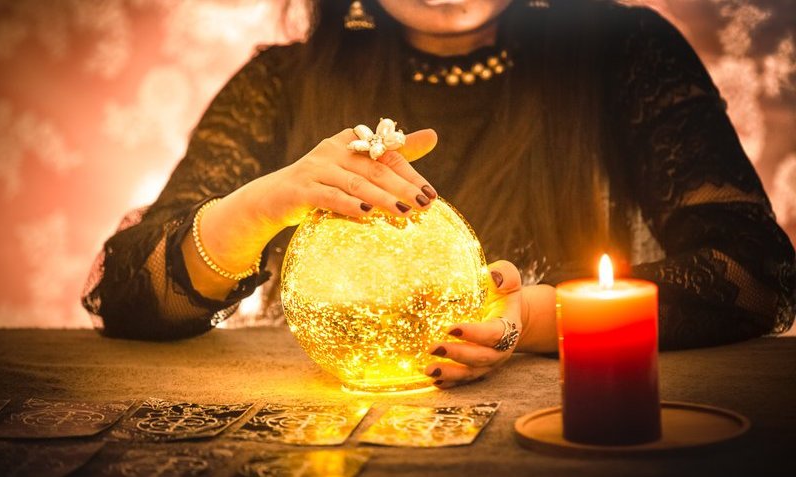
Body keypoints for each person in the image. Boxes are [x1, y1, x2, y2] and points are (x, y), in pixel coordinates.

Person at [82, 0, 795, 389]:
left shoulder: (624, 49)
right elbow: (126, 294)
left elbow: (756, 271)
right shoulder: (282, 84)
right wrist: (260, 206)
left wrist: (529, 316)